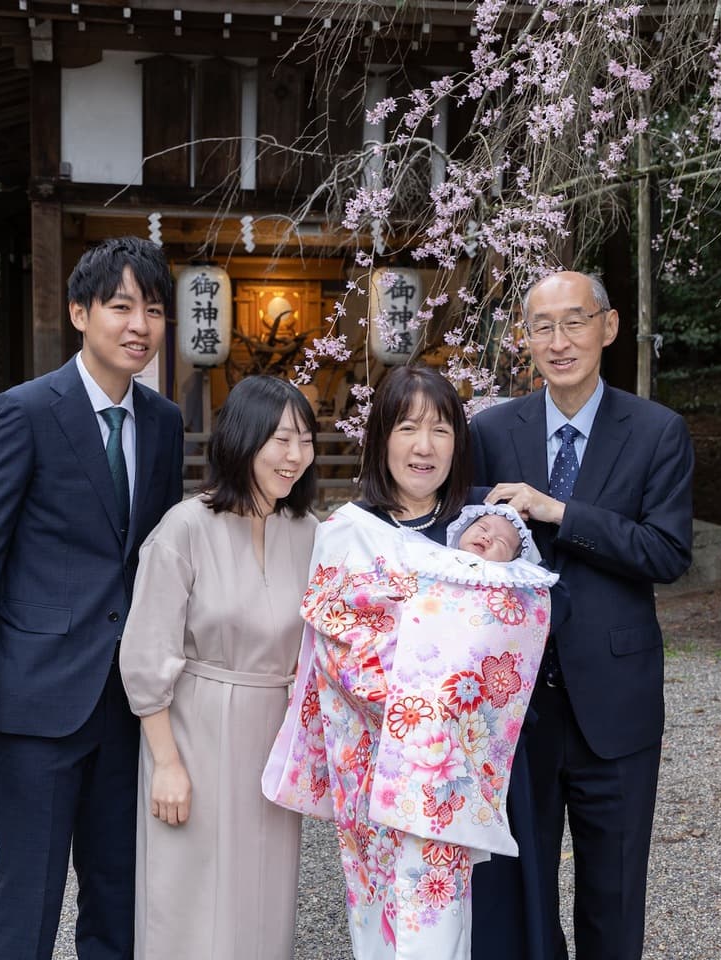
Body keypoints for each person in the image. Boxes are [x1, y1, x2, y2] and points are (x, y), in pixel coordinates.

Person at [0, 237, 183, 960]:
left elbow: (157, 561)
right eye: (121, 306)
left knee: (119, 890)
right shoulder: (24, 411)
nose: (139, 325)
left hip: (128, 699)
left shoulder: (163, 423)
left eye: (155, 310)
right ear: (80, 312)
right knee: (28, 891)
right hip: (40, 696)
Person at [264, 365, 553, 960]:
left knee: (455, 922)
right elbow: (343, 648)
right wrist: (430, 695)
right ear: (380, 440)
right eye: (408, 428)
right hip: (381, 761)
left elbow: (521, 627)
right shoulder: (349, 532)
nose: (424, 446)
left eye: (441, 430)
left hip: (461, 768)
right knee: (385, 919)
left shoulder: (483, 530)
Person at [470, 270, 694, 960]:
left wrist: (560, 512)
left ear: (609, 326)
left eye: (575, 321)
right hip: (515, 706)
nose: (560, 341)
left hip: (616, 704)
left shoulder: (658, 431)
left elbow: (666, 551)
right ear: (526, 338)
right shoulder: (490, 429)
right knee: (519, 896)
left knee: (614, 896)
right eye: (543, 326)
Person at [117, 376, 320, 960]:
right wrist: (167, 764)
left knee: (262, 895)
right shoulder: (185, 527)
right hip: (195, 731)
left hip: (275, 739)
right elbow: (146, 653)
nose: (295, 456)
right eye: (281, 439)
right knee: (190, 897)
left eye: (304, 440)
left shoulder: (309, 532)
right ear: (243, 440)